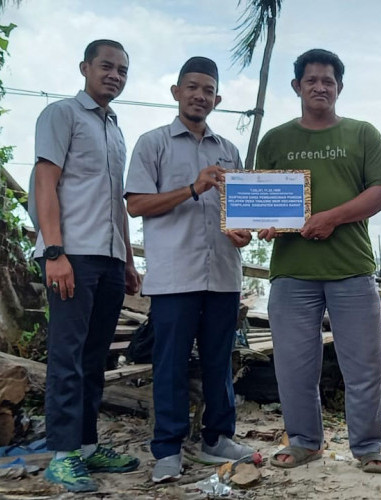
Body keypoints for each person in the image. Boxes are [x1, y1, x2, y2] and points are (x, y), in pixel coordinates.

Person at [256, 48, 381, 473]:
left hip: (352, 269)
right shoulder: (275, 141)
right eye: (311, 80)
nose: (320, 87)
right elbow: (261, 201)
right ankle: (303, 442)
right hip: (291, 273)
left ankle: (369, 447)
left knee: (364, 366)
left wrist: (332, 219)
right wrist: (262, 224)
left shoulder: (362, 133)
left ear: (339, 87)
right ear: (297, 86)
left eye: (328, 81)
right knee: (294, 368)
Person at [125, 57, 254, 483]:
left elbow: (238, 214)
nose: (200, 96)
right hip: (174, 275)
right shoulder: (153, 143)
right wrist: (192, 188)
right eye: (192, 87)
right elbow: (137, 204)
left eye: (208, 90)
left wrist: (244, 234)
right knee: (171, 363)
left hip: (222, 274)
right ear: (176, 92)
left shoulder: (229, 150)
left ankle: (217, 438)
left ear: (218, 99)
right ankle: (167, 449)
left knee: (219, 360)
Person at [30, 39, 141, 493]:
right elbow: (45, 181)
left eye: (122, 70)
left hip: (109, 258)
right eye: (106, 67)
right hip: (71, 255)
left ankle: (88, 446)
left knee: (96, 356)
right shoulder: (62, 115)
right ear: (85, 68)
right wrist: (54, 253)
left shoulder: (115, 128)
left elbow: (117, 203)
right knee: (68, 355)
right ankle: (61, 453)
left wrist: (129, 259)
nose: (114, 75)